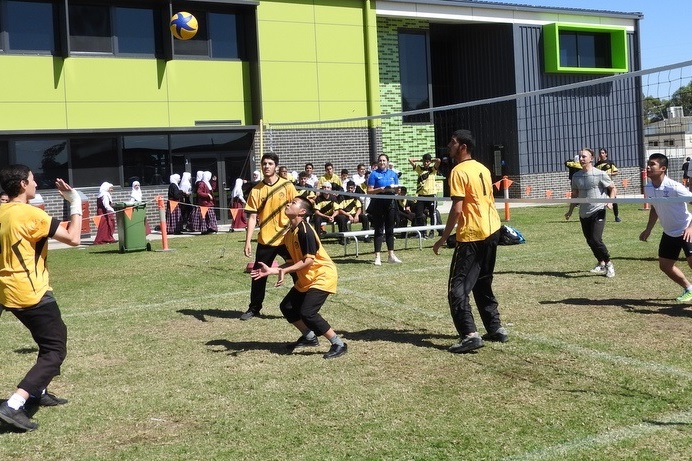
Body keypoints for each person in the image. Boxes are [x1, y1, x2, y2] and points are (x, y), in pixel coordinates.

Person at [0, 164, 82, 431]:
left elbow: (47, 229)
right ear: (23, 184)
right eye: (34, 180)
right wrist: (75, 201)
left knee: (47, 342)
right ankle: (14, 404)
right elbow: (73, 237)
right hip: (30, 291)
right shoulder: (30, 214)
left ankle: (38, 390)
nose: (36, 185)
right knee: (55, 350)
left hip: (6, 289)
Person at [432, 129, 508, 354]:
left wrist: (443, 238)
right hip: (492, 230)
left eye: (452, 142)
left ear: (463, 146)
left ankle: (469, 335)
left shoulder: (458, 171)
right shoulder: (482, 167)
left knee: (457, 288)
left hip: (472, 234)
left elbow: (457, 209)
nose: (449, 145)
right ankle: (495, 328)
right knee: (483, 282)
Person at [250, 196, 347, 359]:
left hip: (322, 275)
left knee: (308, 312)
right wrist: (272, 271)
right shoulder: (289, 234)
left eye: (293, 203)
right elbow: (290, 262)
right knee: (287, 307)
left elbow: (308, 260)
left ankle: (338, 343)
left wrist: (285, 271)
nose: (288, 204)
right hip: (307, 277)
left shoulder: (306, 231)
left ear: (302, 212)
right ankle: (309, 337)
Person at [242, 152, 297, 321]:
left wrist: (297, 232)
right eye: (264, 163)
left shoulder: (287, 186)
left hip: (286, 237)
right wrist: (247, 242)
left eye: (270, 164)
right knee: (258, 274)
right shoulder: (256, 190)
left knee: (297, 270)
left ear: (276, 166)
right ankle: (254, 307)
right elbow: (252, 217)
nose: (266, 166)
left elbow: (296, 210)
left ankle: (301, 302)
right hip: (266, 239)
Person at [639, 153, 692, 302]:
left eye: (652, 164)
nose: (648, 167)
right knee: (665, 265)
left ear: (662, 168)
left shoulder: (675, 187)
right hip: (669, 232)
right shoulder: (649, 188)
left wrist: (690, 228)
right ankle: (689, 288)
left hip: (686, 228)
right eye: (648, 164)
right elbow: (655, 208)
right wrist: (648, 229)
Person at [565, 148, 616, 278]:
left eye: (584, 157)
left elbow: (613, 188)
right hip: (584, 212)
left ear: (591, 158)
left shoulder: (599, 174)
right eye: (580, 156)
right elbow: (574, 195)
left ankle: (609, 264)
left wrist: (610, 201)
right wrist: (570, 211)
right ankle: (601, 263)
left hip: (598, 210)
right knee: (589, 240)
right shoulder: (576, 176)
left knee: (596, 239)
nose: (581, 159)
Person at [367, 153, 401, 265]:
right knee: (379, 229)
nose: (382, 162)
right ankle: (377, 256)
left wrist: (397, 190)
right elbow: (369, 191)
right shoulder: (373, 174)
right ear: (378, 162)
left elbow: (397, 189)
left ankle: (391, 255)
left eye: (384, 160)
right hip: (378, 204)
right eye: (380, 161)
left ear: (387, 162)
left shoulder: (393, 174)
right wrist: (380, 189)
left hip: (390, 203)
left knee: (390, 229)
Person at [409, 154, 441, 235]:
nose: (426, 163)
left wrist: (431, 160)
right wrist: (420, 160)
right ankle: (422, 232)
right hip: (421, 195)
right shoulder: (419, 169)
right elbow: (410, 160)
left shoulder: (433, 169)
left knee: (432, 213)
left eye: (427, 161)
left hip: (431, 195)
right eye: (424, 161)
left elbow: (438, 160)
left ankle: (432, 231)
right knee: (419, 214)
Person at [595, 148, 621, 222]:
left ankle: (616, 216)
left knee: (614, 200)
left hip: (609, 184)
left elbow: (616, 172)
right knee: (600, 202)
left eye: (603, 153)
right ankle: (600, 217)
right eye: (600, 153)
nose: (601, 154)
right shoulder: (597, 165)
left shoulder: (610, 163)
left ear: (606, 154)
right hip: (600, 185)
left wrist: (609, 174)